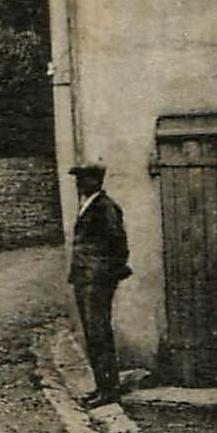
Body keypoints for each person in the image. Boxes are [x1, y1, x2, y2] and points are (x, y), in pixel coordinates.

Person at [67, 163, 131, 408]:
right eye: (78, 180)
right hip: (85, 280)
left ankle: (109, 391)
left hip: (97, 282)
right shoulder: (88, 206)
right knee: (93, 336)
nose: (79, 184)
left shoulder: (105, 208)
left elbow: (118, 245)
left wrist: (104, 275)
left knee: (99, 334)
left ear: (96, 181)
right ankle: (102, 387)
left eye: (83, 179)